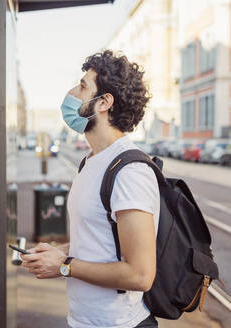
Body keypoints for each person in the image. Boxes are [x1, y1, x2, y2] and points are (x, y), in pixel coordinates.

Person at [21, 50, 160, 328]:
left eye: (83, 86)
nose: (72, 92)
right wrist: (55, 253)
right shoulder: (91, 161)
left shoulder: (129, 171)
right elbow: (100, 240)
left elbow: (140, 274)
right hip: (85, 320)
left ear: (104, 102)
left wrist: (64, 265)